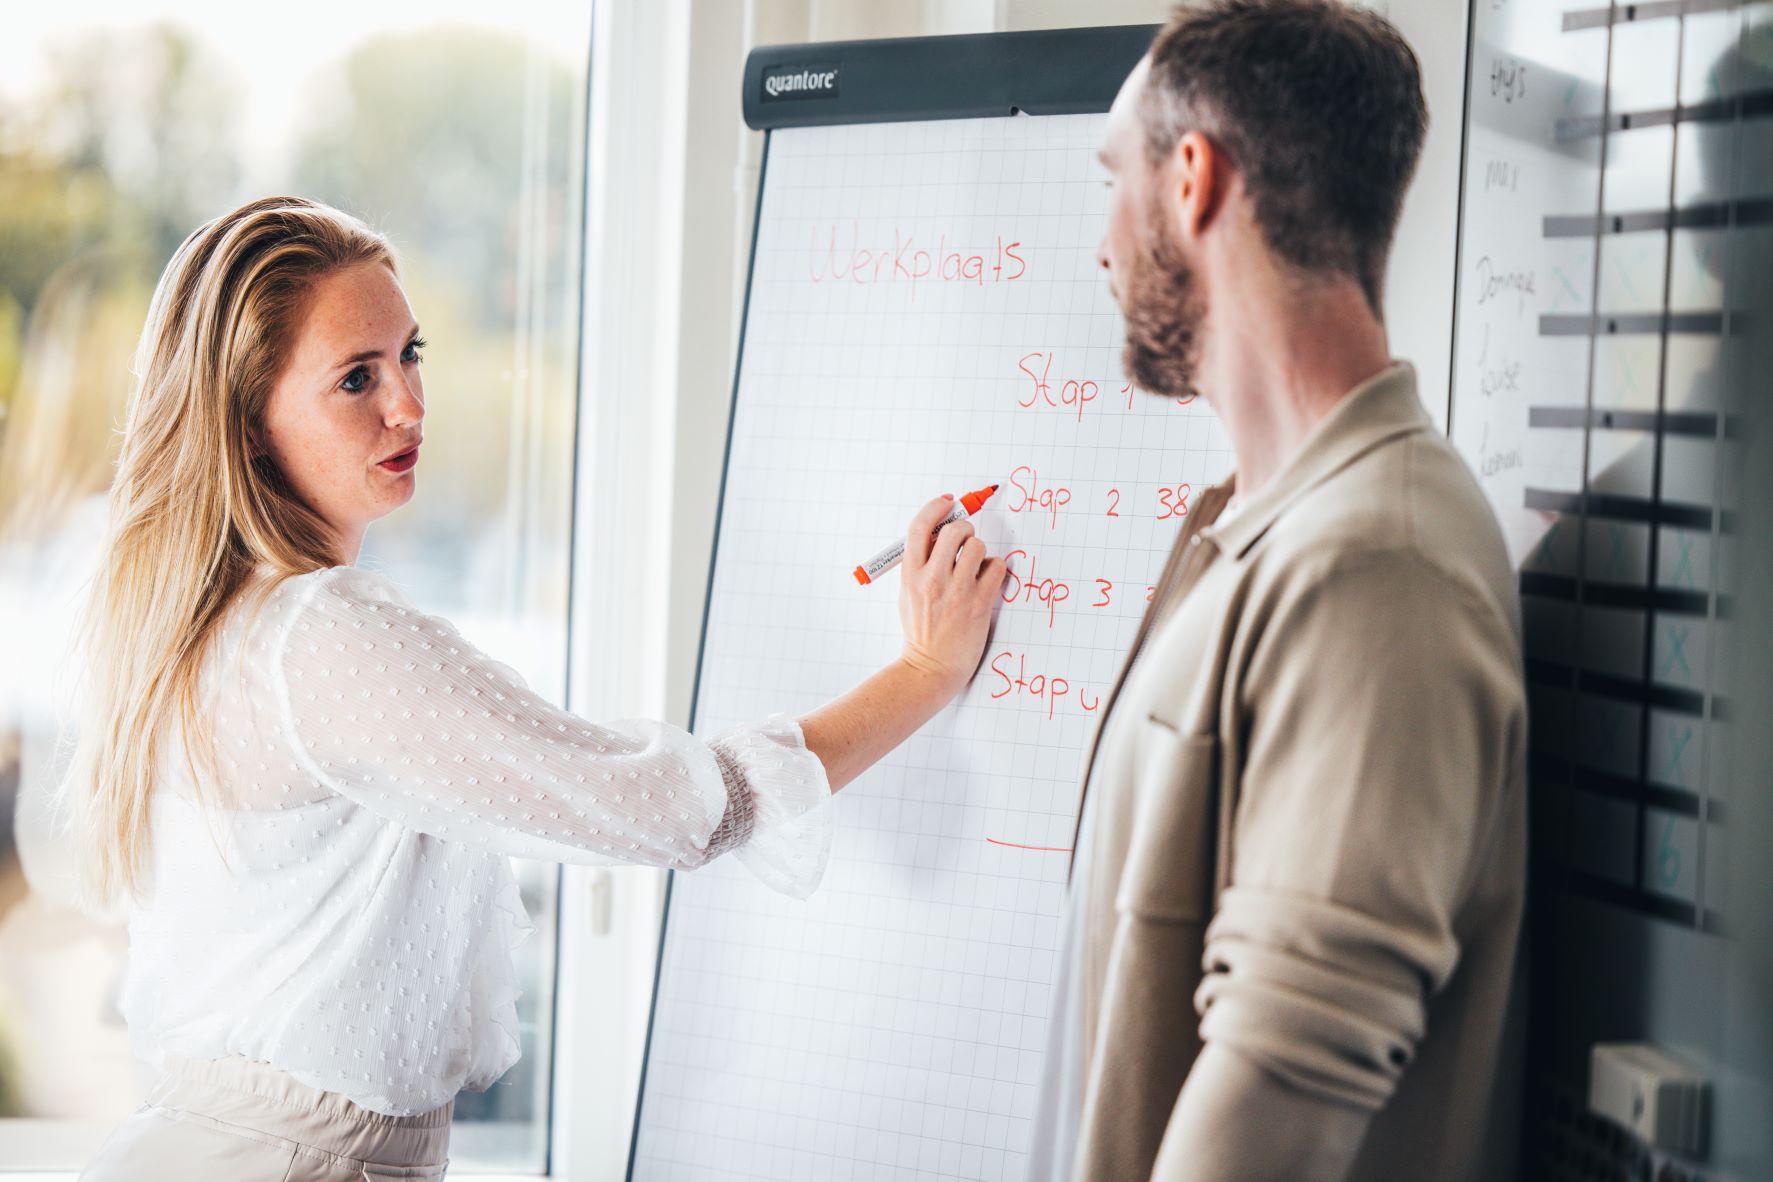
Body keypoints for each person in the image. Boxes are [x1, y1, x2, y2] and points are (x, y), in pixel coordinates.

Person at [70, 196, 1007, 1179]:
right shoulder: (322, 638)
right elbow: (671, 807)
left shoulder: (216, 623)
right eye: (357, 378)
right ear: (251, 426)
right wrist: (926, 670)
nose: (410, 405)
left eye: (411, 354)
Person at [1028, 3, 1527, 1181]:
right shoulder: (1253, 526)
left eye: (1117, 179)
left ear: (1192, 180)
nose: (1103, 242)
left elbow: (1278, 1103)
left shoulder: (1378, 564)